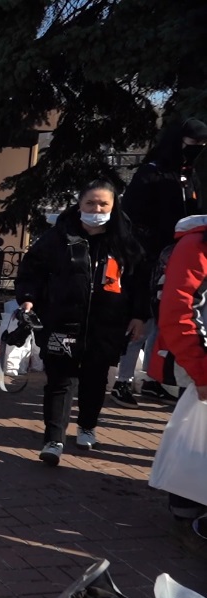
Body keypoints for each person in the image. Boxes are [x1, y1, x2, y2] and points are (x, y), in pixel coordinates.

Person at [16, 180, 147, 466]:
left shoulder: (125, 242)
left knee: (95, 380)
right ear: (79, 204)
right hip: (62, 322)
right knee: (59, 381)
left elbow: (139, 283)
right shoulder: (58, 237)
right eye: (90, 203)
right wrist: (28, 299)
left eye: (103, 204)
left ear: (114, 207)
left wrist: (139, 315)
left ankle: (87, 426)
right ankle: (53, 439)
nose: (96, 209)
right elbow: (31, 271)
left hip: (106, 326)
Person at [112, 117, 207, 407]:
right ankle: (123, 380)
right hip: (148, 257)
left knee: (164, 322)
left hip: (177, 255)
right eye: (193, 144)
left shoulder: (192, 176)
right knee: (141, 318)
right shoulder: (151, 173)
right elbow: (131, 216)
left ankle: (154, 379)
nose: (197, 150)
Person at [155, 212, 207, 520]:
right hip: (201, 363)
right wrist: (201, 371)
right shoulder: (196, 245)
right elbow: (179, 313)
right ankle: (189, 511)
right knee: (196, 443)